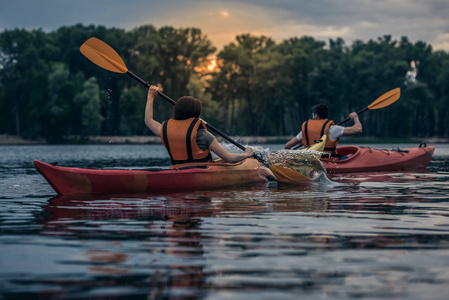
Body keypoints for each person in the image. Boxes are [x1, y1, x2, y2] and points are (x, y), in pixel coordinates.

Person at [145, 85, 254, 165]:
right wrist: (247, 154)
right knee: (230, 159)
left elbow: (148, 120)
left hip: (178, 170)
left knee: (223, 160)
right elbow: (230, 158)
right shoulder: (203, 134)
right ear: (197, 113)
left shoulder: (165, 130)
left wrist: (150, 97)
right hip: (202, 172)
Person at [284, 103, 362, 156]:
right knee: (350, 156)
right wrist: (355, 117)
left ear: (316, 116)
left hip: (309, 159)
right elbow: (358, 129)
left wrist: (291, 149)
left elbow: (287, 145)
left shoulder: (305, 129)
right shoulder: (333, 129)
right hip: (328, 161)